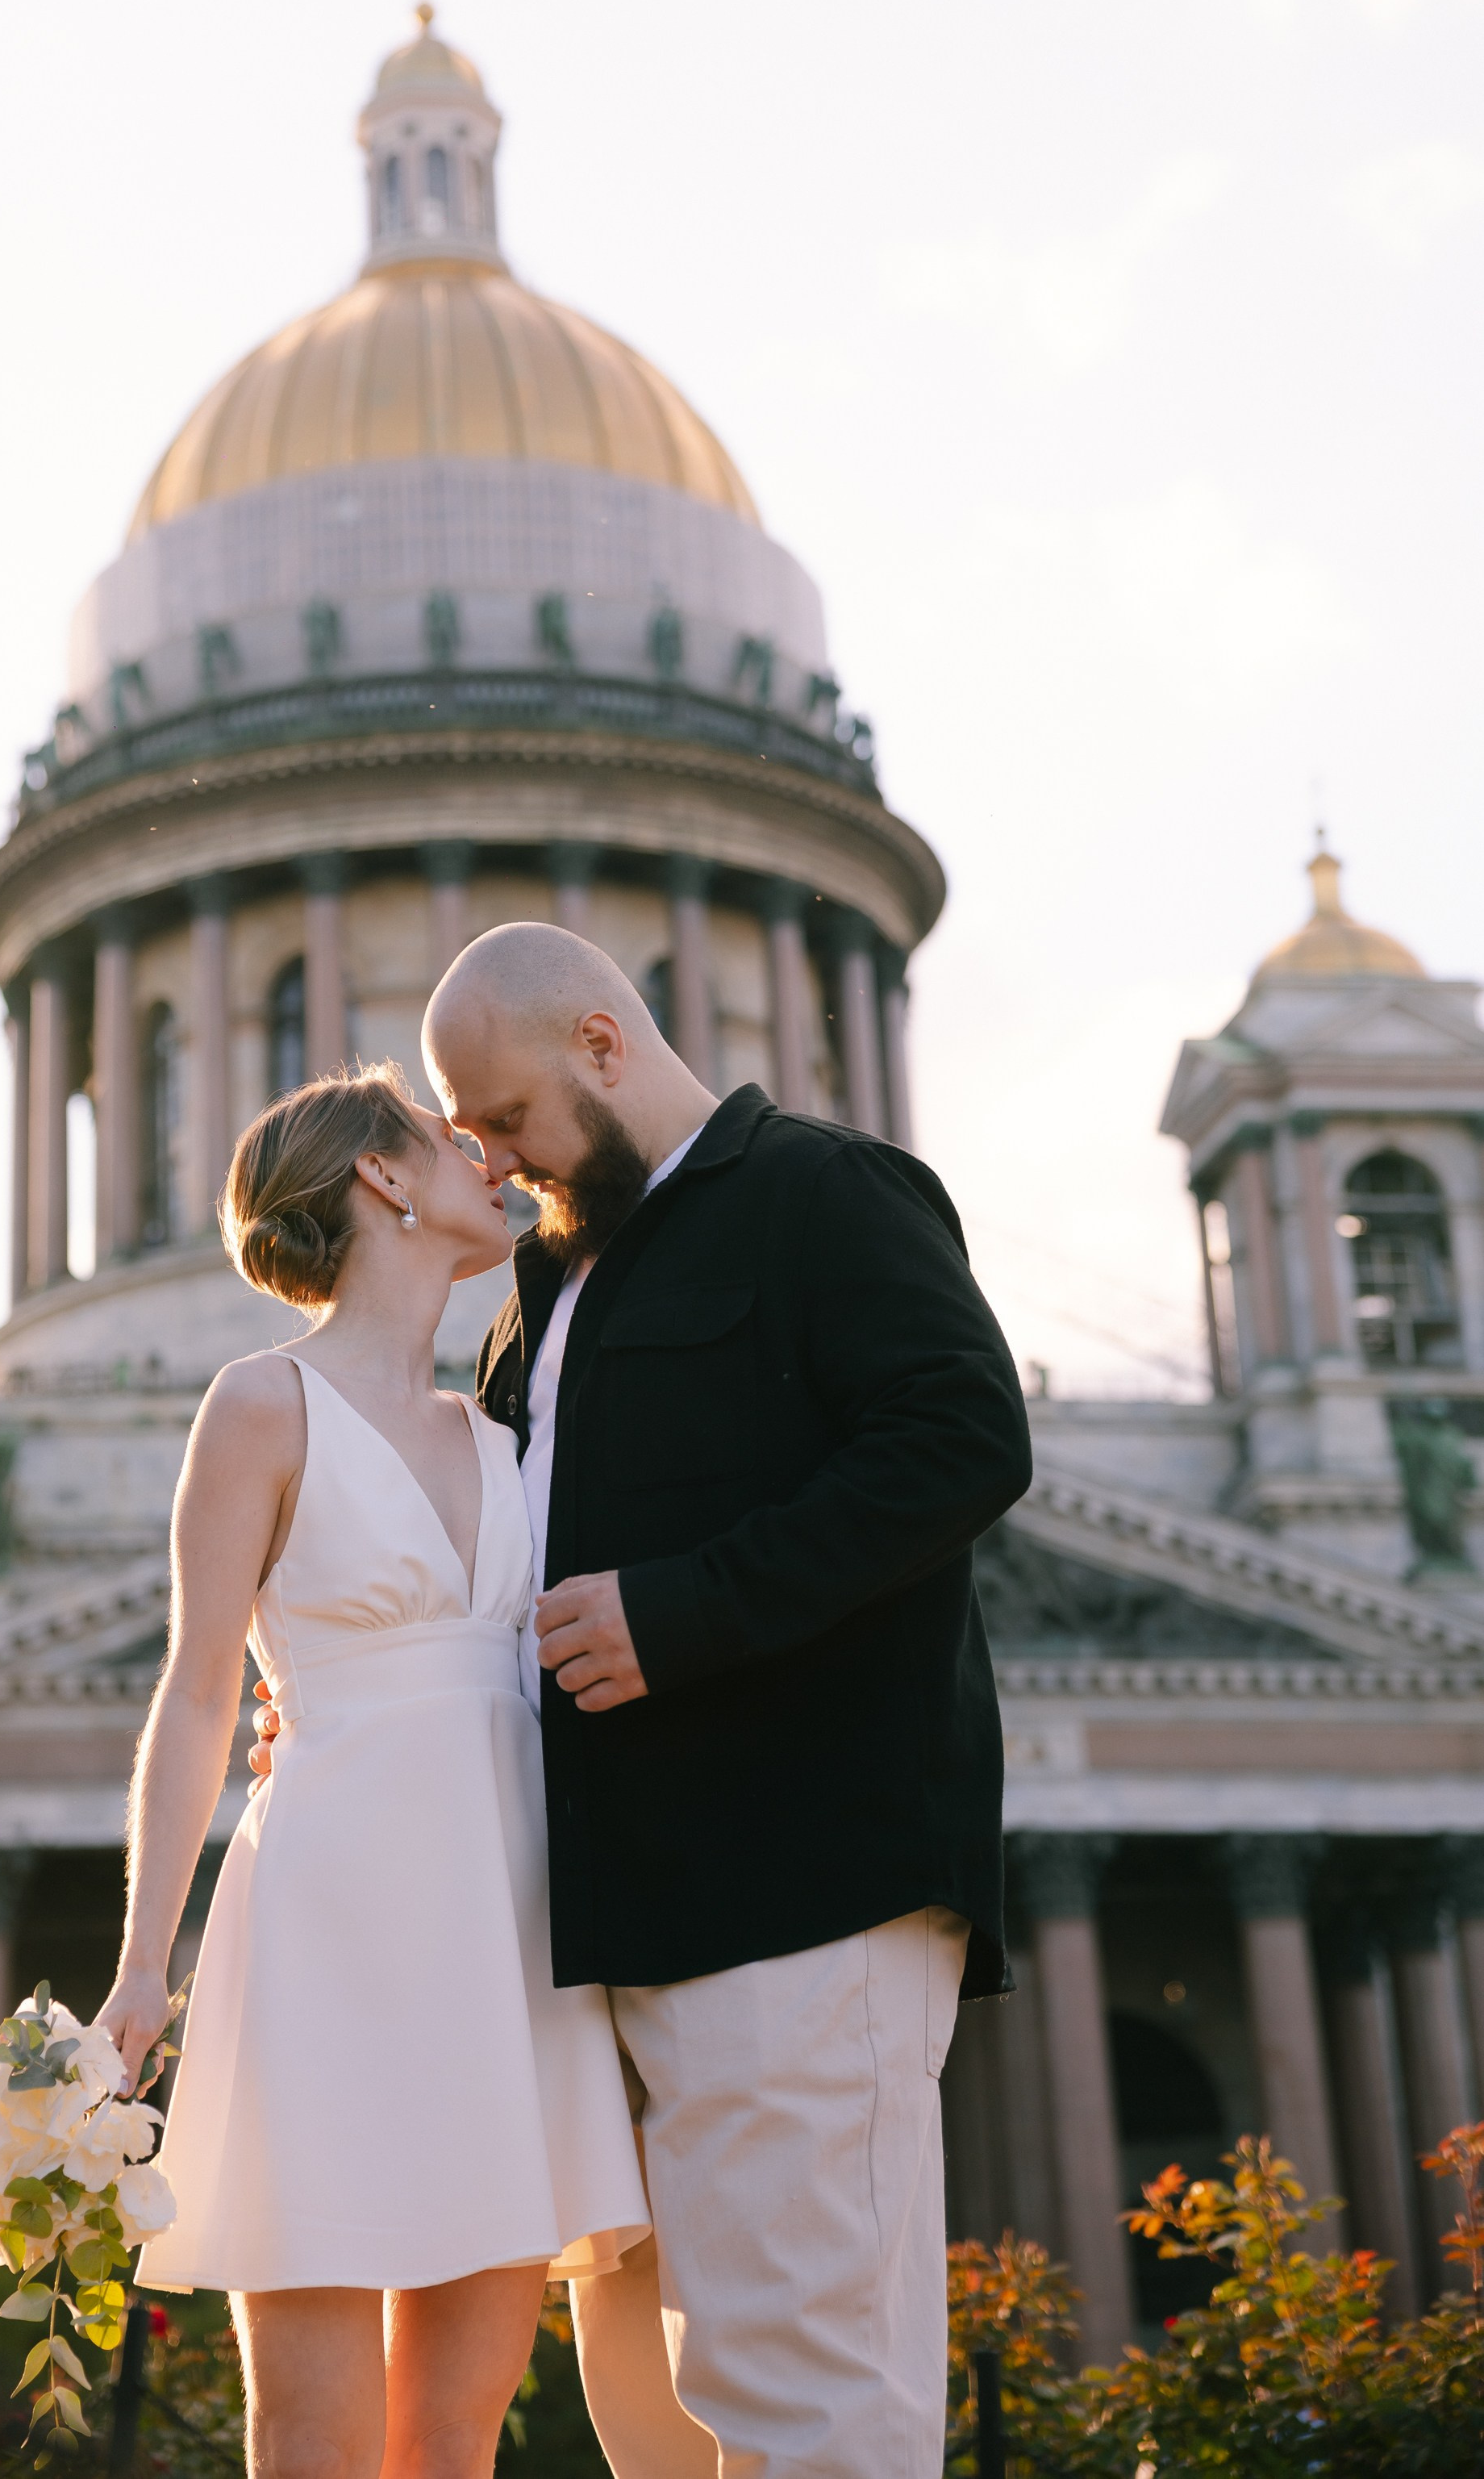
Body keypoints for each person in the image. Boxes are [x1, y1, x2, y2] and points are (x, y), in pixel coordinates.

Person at [415, 921, 1033, 2479]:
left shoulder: (822, 1194)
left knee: (809, 2398)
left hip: (797, 1893)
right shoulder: (547, 1283)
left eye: (505, 1121)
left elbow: (961, 1440)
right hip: (610, 1918)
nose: (490, 1163)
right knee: (656, 2428)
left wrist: (681, 1613)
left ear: (603, 1047)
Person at [96, 1066, 648, 2479]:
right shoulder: (260, 1405)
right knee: (318, 2436)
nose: (492, 1158)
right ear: (385, 1183)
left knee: (453, 2437)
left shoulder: (505, 1432)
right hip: (328, 1933)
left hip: (507, 1939)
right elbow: (201, 1691)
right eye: (446, 1141)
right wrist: (142, 1975)